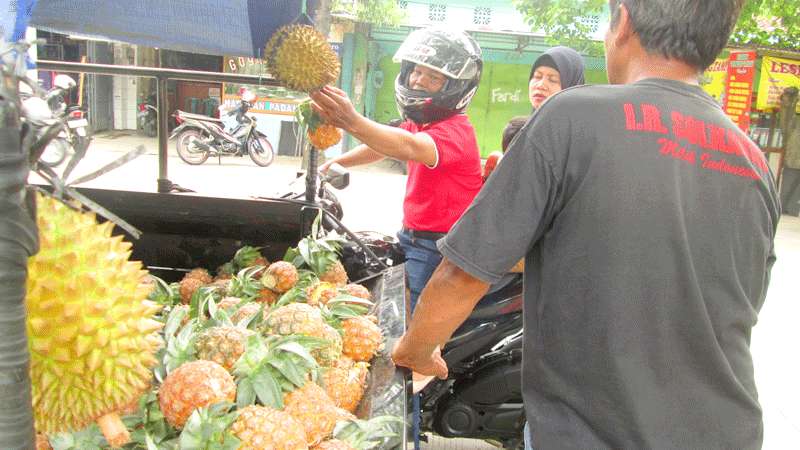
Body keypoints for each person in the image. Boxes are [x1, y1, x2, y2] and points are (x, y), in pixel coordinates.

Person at [392, 1, 780, 449]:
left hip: (591, 435)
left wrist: (417, 349)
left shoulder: (572, 116)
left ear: (624, 22)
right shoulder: (753, 162)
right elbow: (739, 301)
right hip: (727, 433)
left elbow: (464, 272)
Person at [310, 26, 483, 450]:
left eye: (434, 77)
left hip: (440, 249)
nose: (421, 81)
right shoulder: (423, 122)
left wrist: (351, 119)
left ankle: (408, 433)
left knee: (409, 352)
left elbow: (405, 145)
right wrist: (334, 164)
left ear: (455, 87)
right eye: (418, 72)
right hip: (414, 237)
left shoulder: (454, 132)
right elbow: (385, 143)